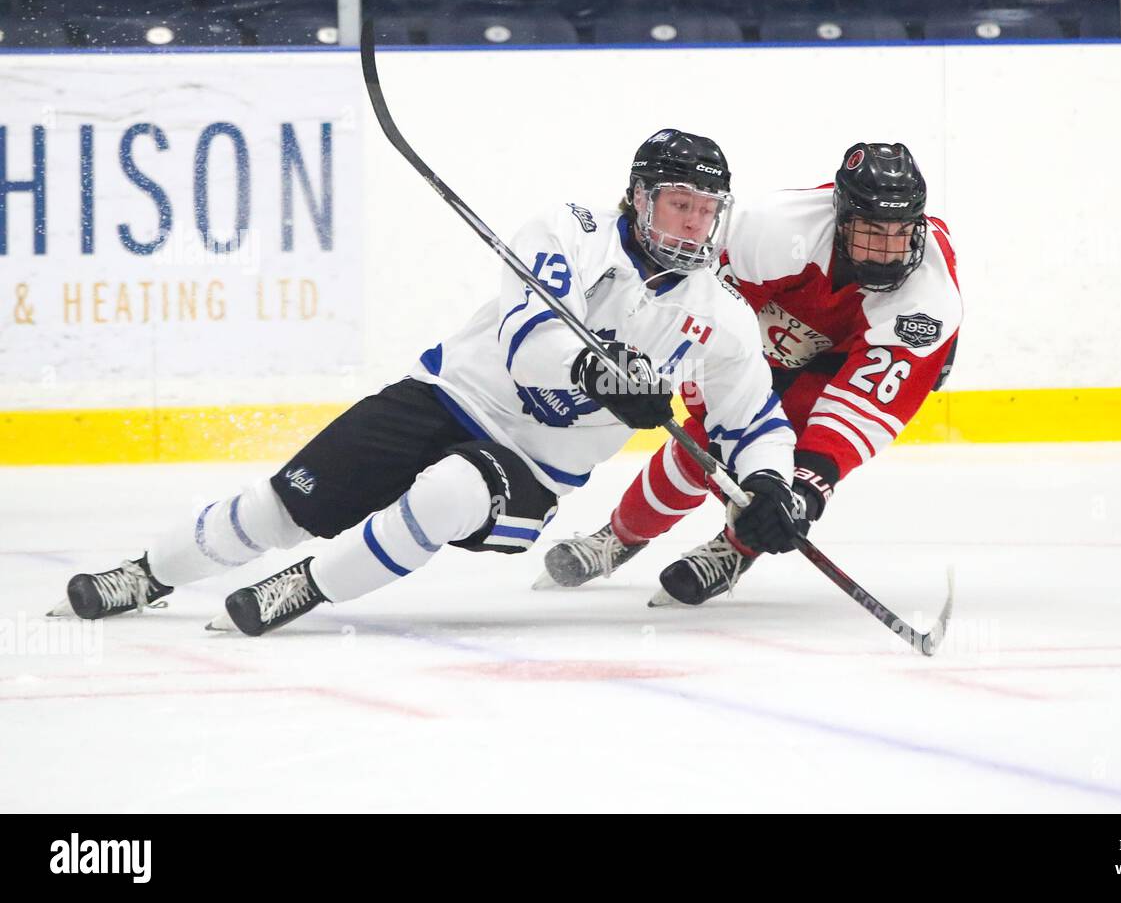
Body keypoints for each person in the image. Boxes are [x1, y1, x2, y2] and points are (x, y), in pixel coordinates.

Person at [52, 129, 800, 636]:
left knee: (451, 492)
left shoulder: (721, 318)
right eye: (680, 203)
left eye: (707, 212)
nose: (695, 225)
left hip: (532, 468)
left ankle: (307, 587)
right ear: (638, 196)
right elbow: (524, 343)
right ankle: (146, 575)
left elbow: (755, 422)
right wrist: (595, 372)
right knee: (283, 505)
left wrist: (771, 488)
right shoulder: (568, 230)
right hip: (447, 397)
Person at [539, 142, 961, 607]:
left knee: (789, 468)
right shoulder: (775, 228)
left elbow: (863, 411)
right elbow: (709, 318)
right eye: (871, 231)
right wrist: (718, 417)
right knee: (708, 436)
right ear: (841, 218)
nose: (887, 249)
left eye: (901, 231)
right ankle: (619, 536)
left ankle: (737, 548)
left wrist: (802, 493)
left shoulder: (929, 299)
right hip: (763, 328)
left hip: (849, 357)